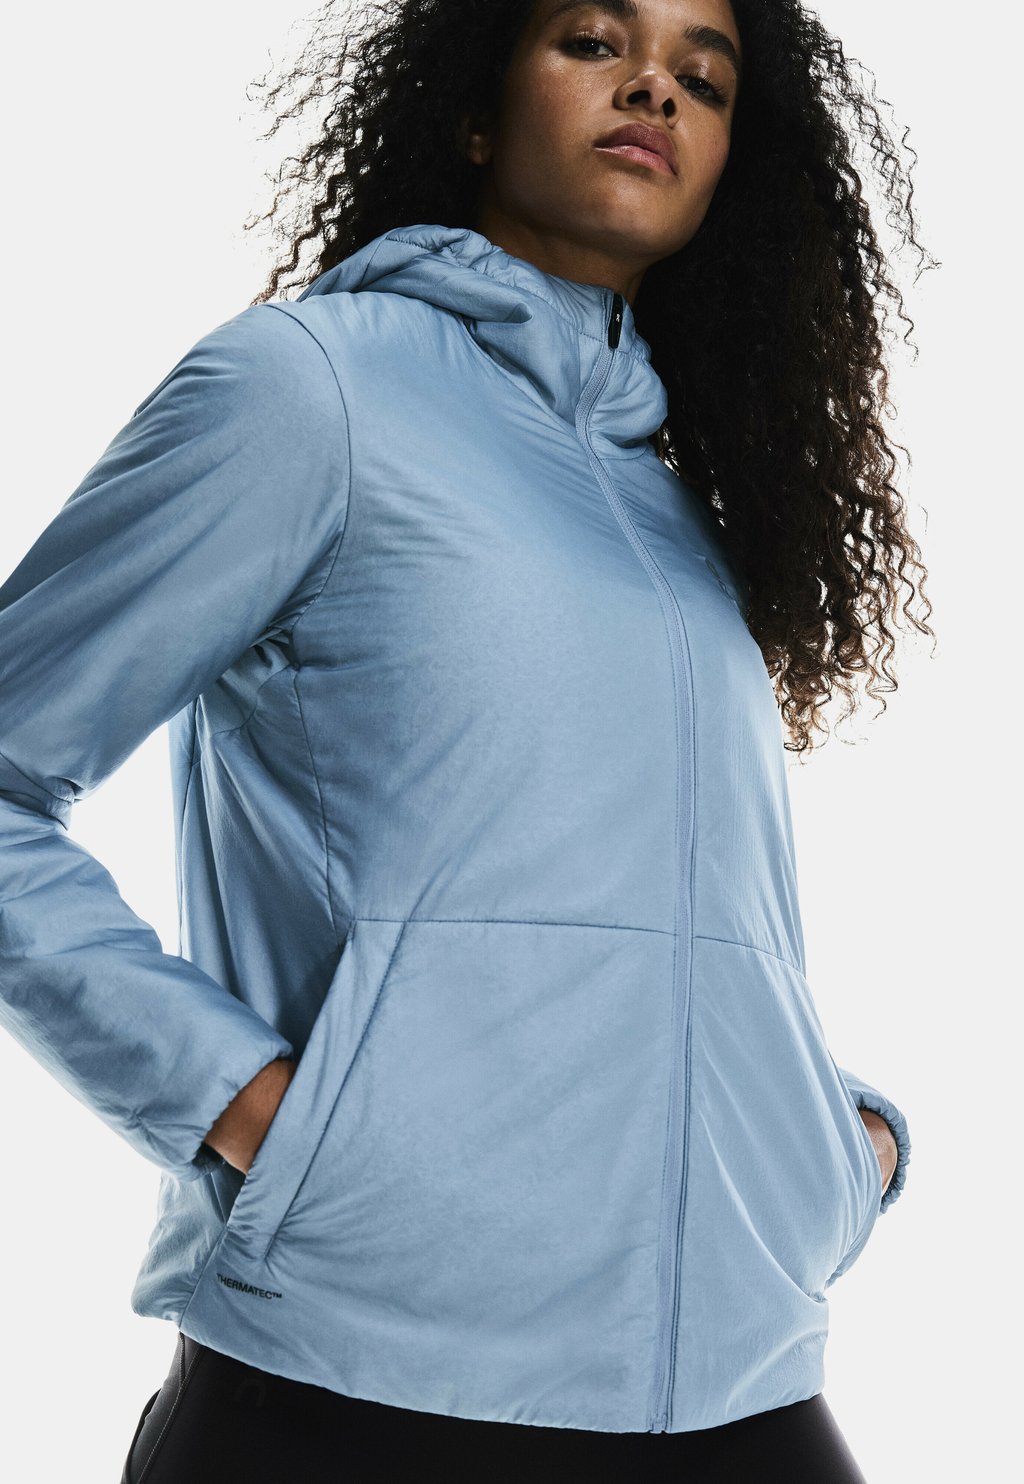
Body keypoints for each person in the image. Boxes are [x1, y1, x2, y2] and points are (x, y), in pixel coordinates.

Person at [0, 0, 932, 1478]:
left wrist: (827, 1148)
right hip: (365, 1368)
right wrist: (251, 1109)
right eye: (593, 41)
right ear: (475, 109)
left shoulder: (681, 513)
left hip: (744, 1367)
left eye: (703, 78)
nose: (654, 88)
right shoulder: (311, 392)